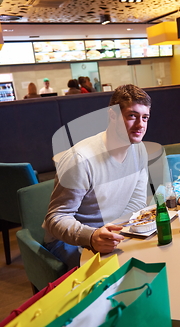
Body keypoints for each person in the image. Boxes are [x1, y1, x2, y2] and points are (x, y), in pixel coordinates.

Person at [43, 84, 152, 268]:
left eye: (145, 117)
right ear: (112, 115)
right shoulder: (80, 160)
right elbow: (56, 218)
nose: (140, 124)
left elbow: (137, 201)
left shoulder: (139, 148)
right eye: (132, 116)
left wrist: (118, 232)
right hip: (70, 241)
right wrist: (92, 236)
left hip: (112, 233)